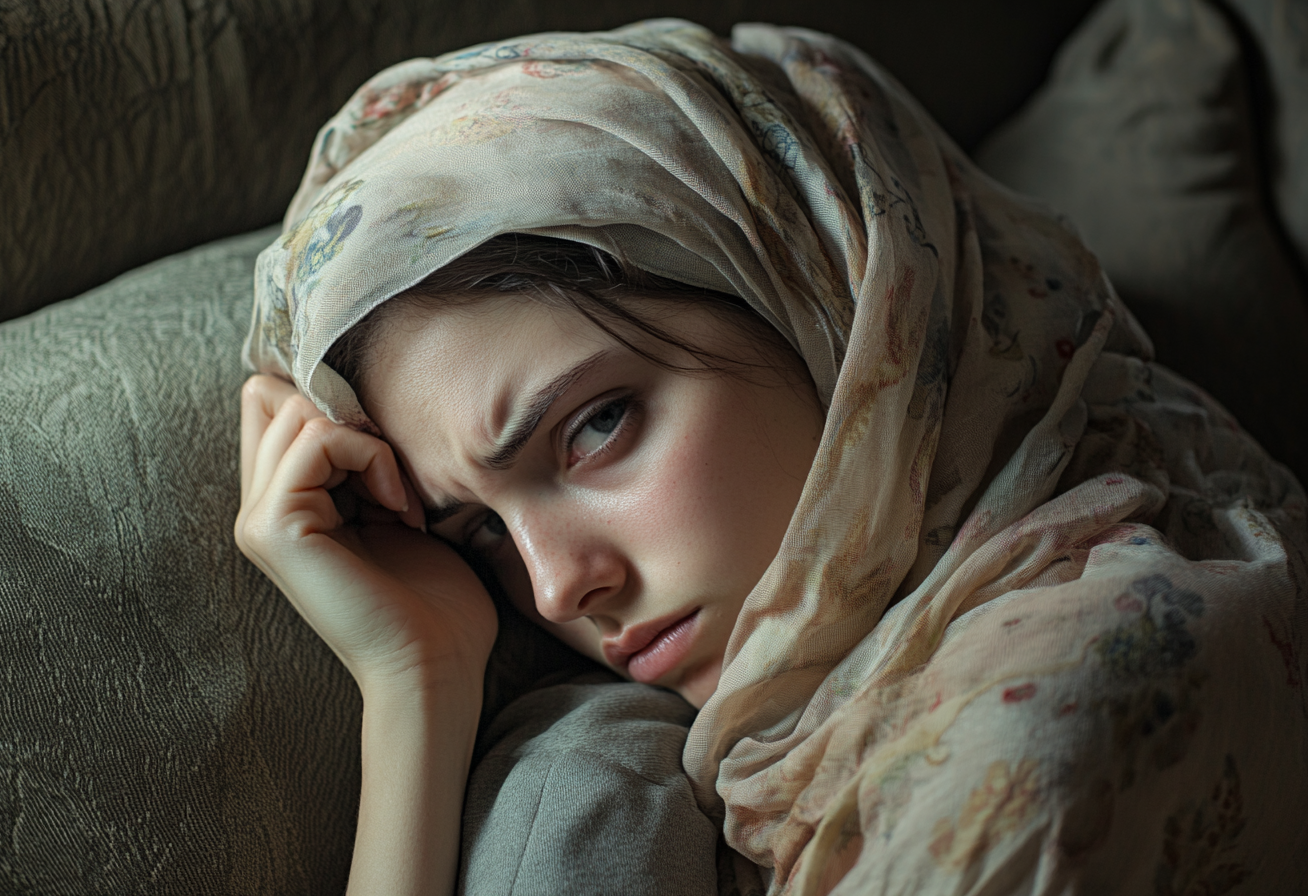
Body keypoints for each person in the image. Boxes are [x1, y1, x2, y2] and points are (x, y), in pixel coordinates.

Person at [236, 19, 1308, 896]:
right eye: (478, 528)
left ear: (844, 313)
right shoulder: (810, 719)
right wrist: (414, 682)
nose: (561, 585)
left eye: (596, 425)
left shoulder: (1047, 733)